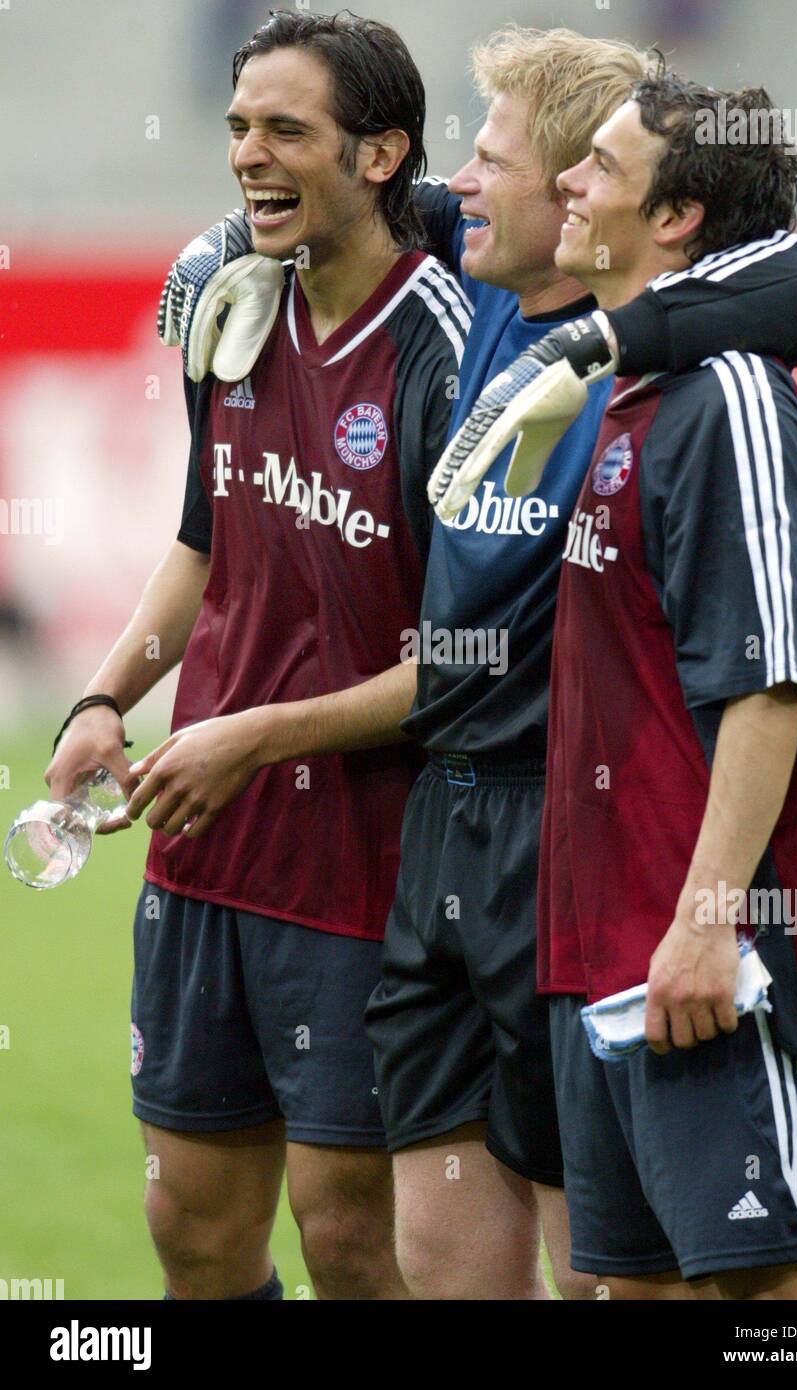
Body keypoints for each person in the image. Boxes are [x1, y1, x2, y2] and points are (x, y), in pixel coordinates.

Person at [162, 25, 797, 1300]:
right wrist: (216, 246)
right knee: (439, 1263)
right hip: (444, 824)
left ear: (590, 189)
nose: (464, 182)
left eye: (503, 160)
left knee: (648, 1270)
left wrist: (602, 341)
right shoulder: (474, 280)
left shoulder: (659, 372)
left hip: (569, 833)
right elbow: (328, 194)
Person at [45, 10, 468, 1301]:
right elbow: (200, 545)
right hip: (203, 839)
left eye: (287, 129)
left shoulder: (445, 351)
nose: (249, 156)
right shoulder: (228, 305)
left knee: (347, 1233)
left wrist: (252, 735)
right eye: (237, 126)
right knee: (192, 1227)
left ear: (383, 151)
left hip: (363, 859)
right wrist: (111, 694)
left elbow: (470, 660)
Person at [538, 68, 797, 1298]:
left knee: (766, 1293)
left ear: (674, 218)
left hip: (716, 960)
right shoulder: (636, 386)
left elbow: (767, 680)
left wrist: (706, 917)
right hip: (611, 952)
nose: (571, 181)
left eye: (604, 169)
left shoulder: (725, 396)